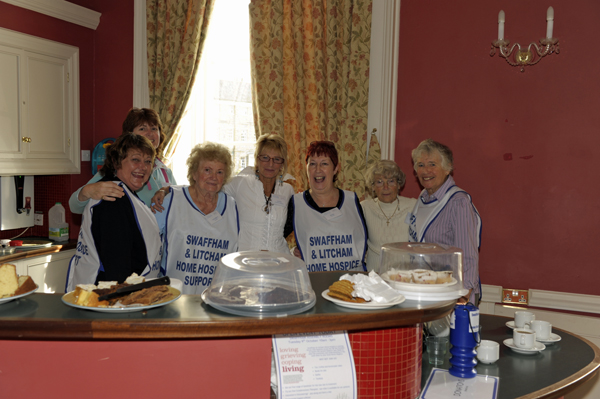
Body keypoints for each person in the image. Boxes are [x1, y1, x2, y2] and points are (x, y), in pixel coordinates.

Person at [152, 134, 295, 254]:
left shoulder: (288, 190)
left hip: (279, 261)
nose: (270, 164)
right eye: (265, 157)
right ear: (257, 158)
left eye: (277, 159)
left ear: (282, 163)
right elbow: (207, 185)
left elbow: (294, 224)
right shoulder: (241, 184)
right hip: (246, 263)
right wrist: (168, 189)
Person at [65, 133, 162, 291]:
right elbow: (117, 266)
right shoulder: (113, 198)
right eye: (135, 159)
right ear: (117, 162)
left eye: (148, 162)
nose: (143, 167)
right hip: (110, 296)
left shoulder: (124, 192)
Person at [153, 142, 239, 295]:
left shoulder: (232, 207)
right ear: (194, 173)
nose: (213, 177)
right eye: (207, 170)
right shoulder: (170, 201)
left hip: (216, 298)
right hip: (174, 295)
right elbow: (146, 242)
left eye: (219, 172)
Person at [406, 139, 482, 304]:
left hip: (452, 294)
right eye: (420, 165)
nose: (426, 171)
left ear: (448, 168)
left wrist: (464, 294)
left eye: (432, 164)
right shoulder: (423, 198)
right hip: (426, 290)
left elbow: (467, 254)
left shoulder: (458, 202)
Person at [68, 108, 176, 213]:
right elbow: (74, 206)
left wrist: (165, 190)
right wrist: (87, 191)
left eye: (154, 128)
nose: (150, 133)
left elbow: (178, 203)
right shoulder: (119, 169)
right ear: (129, 135)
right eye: (142, 129)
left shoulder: (165, 171)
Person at [284, 140, 367, 273]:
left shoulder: (352, 201)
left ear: (335, 169)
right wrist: (291, 253)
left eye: (324, 164)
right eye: (312, 164)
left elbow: (365, 241)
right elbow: (274, 239)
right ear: (306, 169)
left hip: (351, 284)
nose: (318, 170)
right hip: (313, 283)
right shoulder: (296, 204)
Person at [361, 160, 416, 272]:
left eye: (391, 181)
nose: (386, 187)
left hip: (404, 276)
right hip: (374, 277)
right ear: (372, 187)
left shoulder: (413, 206)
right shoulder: (365, 208)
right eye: (379, 182)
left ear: (399, 184)